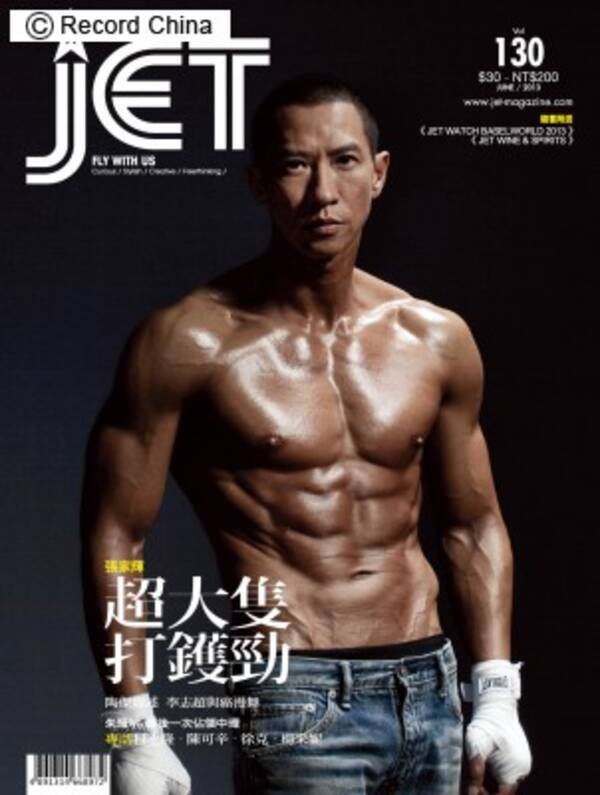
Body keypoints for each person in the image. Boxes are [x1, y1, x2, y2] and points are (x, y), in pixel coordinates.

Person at [80, 75, 532, 795]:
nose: (323, 192)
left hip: (432, 686)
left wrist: (498, 691)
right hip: (296, 692)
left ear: (378, 173)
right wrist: (130, 723)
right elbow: (116, 534)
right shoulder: (188, 342)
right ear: (259, 183)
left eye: (344, 161)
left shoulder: (435, 339)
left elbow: (473, 525)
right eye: (295, 165)